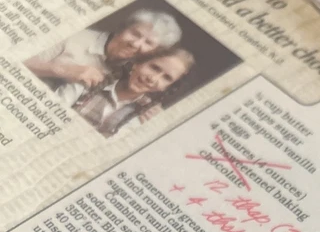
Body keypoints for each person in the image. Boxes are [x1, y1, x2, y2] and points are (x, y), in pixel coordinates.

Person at [24, 9, 182, 106]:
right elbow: (18, 62)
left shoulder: (134, 72)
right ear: (122, 28)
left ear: (153, 51)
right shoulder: (76, 36)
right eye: (135, 33)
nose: (136, 44)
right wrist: (62, 70)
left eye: (148, 42)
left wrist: (148, 108)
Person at [72, 48, 195, 137]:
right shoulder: (94, 79)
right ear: (138, 64)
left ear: (166, 87)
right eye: (154, 68)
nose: (153, 78)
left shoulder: (146, 115)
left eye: (166, 78)